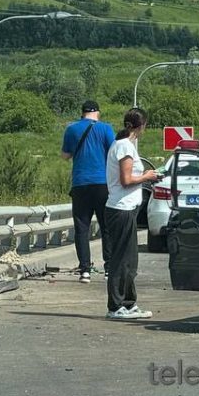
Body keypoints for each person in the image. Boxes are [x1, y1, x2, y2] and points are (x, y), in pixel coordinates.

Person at [103, 107, 161, 320]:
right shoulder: (124, 147)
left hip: (125, 208)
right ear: (142, 126)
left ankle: (128, 303)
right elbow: (126, 180)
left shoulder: (123, 145)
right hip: (121, 209)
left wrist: (147, 177)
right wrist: (146, 176)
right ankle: (116, 306)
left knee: (130, 259)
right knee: (121, 259)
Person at [61, 100, 116, 284]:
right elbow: (113, 153)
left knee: (81, 228)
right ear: (97, 113)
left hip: (80, 184)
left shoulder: (71, 129)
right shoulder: (106, 129)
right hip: (102, 183)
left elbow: (65, 156)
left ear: (82, 112)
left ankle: (85, 270)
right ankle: (109, 268)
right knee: (106, 227)